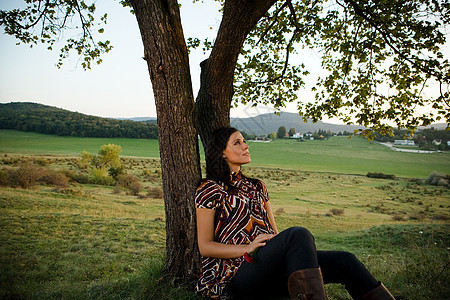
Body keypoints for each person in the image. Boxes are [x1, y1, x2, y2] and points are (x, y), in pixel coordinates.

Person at [195, 127, 396, 300]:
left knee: (345, 260)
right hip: (237, 275)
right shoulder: (210, 189)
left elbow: (274, 233)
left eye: (244, 141)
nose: (246, 146)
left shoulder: (257, 186)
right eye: (237, 143)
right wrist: (247, 248)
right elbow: (205, 247)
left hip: (269, 266)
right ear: (222, 152)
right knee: (297, 233)